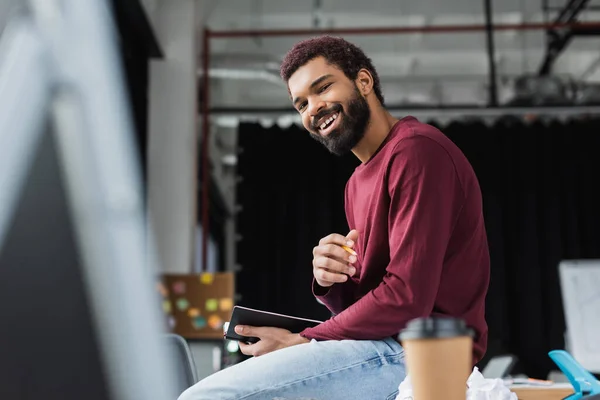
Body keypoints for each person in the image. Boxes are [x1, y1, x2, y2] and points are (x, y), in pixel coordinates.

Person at [178, 35, 490, 400]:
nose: (313, 109)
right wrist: (332, 280)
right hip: (386, 345)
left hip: (424, 353)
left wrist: (303, 340)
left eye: (322, 88)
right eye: (301, 104)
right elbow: (369, 306)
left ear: (364, 81)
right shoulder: (356, 183)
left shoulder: (417, 151)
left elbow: (406, 299)